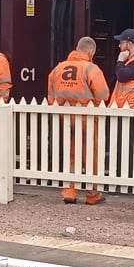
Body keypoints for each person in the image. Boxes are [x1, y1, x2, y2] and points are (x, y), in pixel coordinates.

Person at [48, 37, 111, 205]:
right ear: (91, 51)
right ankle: (92, 194)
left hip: (67, 119)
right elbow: (104, 95)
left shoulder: (58, 68)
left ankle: (69, 191)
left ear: (76, 48)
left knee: (71, 154)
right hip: (87, 119)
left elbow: (51, 96)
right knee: (91, 155)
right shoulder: (91, 68)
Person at [109, 28, 134, 108]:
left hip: (131, 107)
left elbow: (121, 76)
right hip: (125, 106)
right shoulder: (131, 61)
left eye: (121, 43)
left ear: (129, 44)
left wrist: (120, 60)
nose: (119, 45)